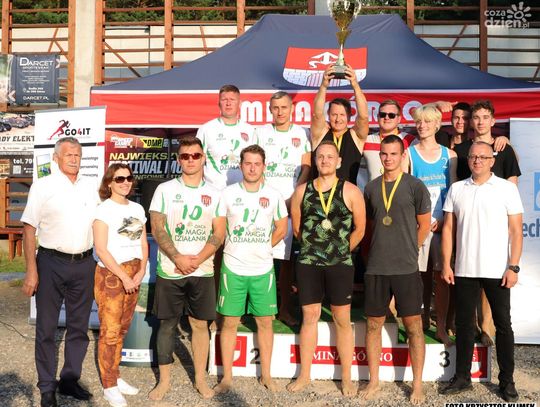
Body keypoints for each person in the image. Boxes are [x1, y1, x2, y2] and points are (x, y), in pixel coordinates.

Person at [440, 141, 523, 402]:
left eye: (483, 157)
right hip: (464, 268)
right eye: (473, 156)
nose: (477, 160)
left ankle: (507, 381)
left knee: (503, 325)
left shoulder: (507, 189)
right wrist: (446, 263)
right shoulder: (456, 189)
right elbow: (448, 229)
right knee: (464, 325)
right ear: (468, 160)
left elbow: (516, 231)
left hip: (497, 270)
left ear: (492, 161)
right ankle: (462, 377)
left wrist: (513, 266)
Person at [21, 137, 100, 407]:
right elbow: (29, 229)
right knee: (46, 328)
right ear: (56, 158)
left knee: (78, 328)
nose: (74, 159)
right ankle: (46, 387)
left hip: (84, 263)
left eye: (77, 155)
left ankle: (69, 380)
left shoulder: (90, 186)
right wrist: (31, 271)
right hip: (50, 263)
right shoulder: (43, 186)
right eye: (68, 155)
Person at [148, 137, 225, 400]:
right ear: (178, 159)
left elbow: (219, 232)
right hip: (171, 269)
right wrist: (177, 257)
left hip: (202, 270)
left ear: (203, 158)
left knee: (200, 325)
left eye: (195, 155)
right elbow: (157, 227)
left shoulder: (215, 193)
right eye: (185, 156)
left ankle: (200, 379)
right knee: (167, 325)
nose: (190, 160)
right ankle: (164, 382)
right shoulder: (165, 189)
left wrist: (198, 258)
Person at [287, 140, 365, 395]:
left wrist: (340, 251)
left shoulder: (351, 191)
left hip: (340, 265)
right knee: (310, 316)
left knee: (342, 319)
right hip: (309, 263)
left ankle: (346, 378)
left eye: (330, 156)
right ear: (315, 160)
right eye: (320, 156)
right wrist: (315, 249)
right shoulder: (302, 191)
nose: (325, 160)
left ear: (339, 161)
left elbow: (360, 229)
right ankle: (304, 375)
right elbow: (297, 228)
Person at [361, 135, 431, 405]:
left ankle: (417, 385)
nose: (388, 158)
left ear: (403, 156)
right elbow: (369, 228)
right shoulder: (371, 188)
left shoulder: (415, 186)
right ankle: (374, 381)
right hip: (377, 267)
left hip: (406, 268)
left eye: (393, 154)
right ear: (379, 156)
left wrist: (411, 249)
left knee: (414, 326)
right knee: (373, 325)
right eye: (384, 153)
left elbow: (424, 225)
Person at [214, 144, 288, 393]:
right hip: (233, 267)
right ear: (241, 165)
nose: (252, 168)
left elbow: (282, 227)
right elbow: (219, 229)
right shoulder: (227, 194)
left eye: (257, 164)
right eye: (248, 163)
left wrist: (264, 246)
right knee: (229, 322)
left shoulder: (274, 195)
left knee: (265, 322)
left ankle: (266, 375)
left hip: (262, 268)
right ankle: (226, 377)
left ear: (264, 166)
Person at [93, 163, 148, 407]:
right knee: (110, 331)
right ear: (109, 183)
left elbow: (142, 243)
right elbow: (101, 249)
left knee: (123, 329)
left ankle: (115, 375)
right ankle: (109, 386)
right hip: (111, 275)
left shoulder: (137, 208)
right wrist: (124, 277)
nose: (125, 182)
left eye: (128, 178)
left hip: (134, 272)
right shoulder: (103, 210)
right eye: (119, 179)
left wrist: (142, 270)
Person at [255, 90, 311, 326]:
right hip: (264, 205)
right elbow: (255, 165)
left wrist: (295, 196)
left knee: (287, 261)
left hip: (290, 205)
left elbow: (306, 167)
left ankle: (285, 309)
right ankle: (260, 308)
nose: (280, 112)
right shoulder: (261, 133)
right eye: (275, 108)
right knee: (261, 256)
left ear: (292, 109)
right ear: (270, 110)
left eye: (284, 107)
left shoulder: (302, 133)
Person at [409, 105, 457, 345]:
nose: (422, 126)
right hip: (419, 224)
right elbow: (407, 191)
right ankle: (422, 319)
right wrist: (421, 222)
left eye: (427, 121)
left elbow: (454, 192)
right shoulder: (409, 153)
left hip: (442, 225)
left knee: (442, 276)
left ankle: (441, 325)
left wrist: (446, 221)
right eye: (419, 121)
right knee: (420, 276)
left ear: (437, 125)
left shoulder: (450, 155)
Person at [310, 63, 369, 184]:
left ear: (349, 116)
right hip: (319, 191)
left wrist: (355, 84)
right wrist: (324, 86)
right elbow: (317, 114)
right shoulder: (321, 134)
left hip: (347, 192)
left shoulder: (355, 136)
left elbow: (363, 116)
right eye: (334, 114)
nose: (338, 119)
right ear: (328, 114)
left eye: (342, 115)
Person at [196, 84, 255, 190]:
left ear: (240, 103)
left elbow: (257, 163)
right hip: (214, 191)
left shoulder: (250, 130)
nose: (228, 103)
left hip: (242, 191)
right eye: (224, 100)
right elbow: (197, 162)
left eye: (232, 99)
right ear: (219, 103)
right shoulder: (206, 129)